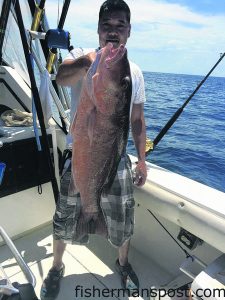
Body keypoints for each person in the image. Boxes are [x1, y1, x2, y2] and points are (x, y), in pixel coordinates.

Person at [40, 0, 147, 299]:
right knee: (63, 217)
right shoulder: (82, 57)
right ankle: (57, 266)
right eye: (107, 26)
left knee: (124, 218)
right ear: (99, 29)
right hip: (83, 156)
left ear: (129, 30)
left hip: (115, 157)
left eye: (120, 26)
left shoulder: (133, 72)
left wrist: (142, 160)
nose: (113, 32)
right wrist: (89, 63)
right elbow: (61, 77)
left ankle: (122, 263)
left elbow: (137, 119)